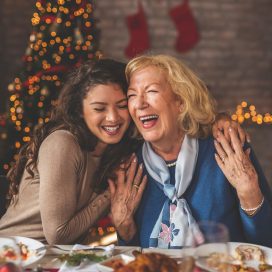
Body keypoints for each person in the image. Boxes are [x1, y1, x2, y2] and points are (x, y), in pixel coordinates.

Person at [109, 54, 272, 248]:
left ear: (181, 102)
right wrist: (125, 229)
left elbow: (266, 246)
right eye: (132, 95)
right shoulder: (131, 167)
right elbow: (132, 259)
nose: (140, 103)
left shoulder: (227, 148)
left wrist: (249, 194)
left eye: (151, 91)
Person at [0, 59, 141, 244]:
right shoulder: (63, 143)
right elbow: (58, 235)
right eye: (99, 108)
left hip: (55, 259)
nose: (113, 117)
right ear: (80, 110)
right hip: (13, 256)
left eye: (122, 106)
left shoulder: (114, 151)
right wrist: (111, 192)